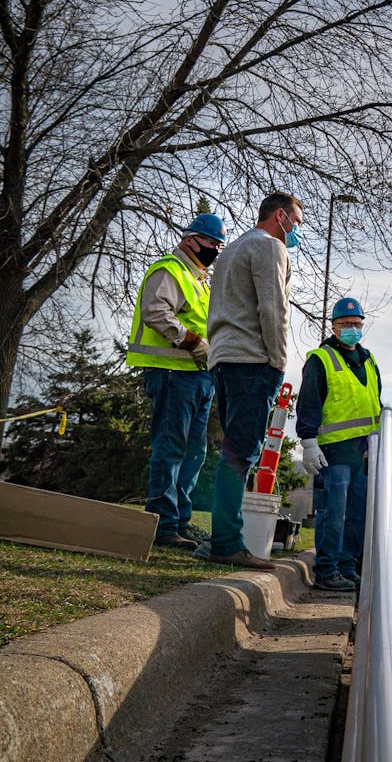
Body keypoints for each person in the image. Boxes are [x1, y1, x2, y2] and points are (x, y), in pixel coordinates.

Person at [205, 192, 303, 569]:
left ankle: (222, 534)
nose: (296, 230)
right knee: (242, 452)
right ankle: (228, 542)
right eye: (295, 221)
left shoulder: (231, 251)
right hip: (253, 360)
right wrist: (279, 362)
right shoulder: (270, 248)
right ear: (280, 216)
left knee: (232, 448)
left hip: (224, 359)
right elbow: (272, 307)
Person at [126, 213, 226, 549]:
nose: (215, 249)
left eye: (217, 245)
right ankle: (163, 525)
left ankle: (179, 523)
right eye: (211, 243)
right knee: (171, 449)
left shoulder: (199, 279)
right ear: (190, 239)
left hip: (197, 376)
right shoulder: (170, 269)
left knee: (193, 453)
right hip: (172, 374)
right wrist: (192, 342)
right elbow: (156, 312)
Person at [297, 297, 380, 592]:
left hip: (363, 453)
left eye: (357, 324)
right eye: (346, 325)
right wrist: (308, 441)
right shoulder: (321, 359)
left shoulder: (368, 360)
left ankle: (347, 566)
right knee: (334, 512)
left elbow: (375, 404)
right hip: (333, 452)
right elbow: (308, 403)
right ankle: (327, 569)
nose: (352, 329)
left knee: (357, 514)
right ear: (333, 326)